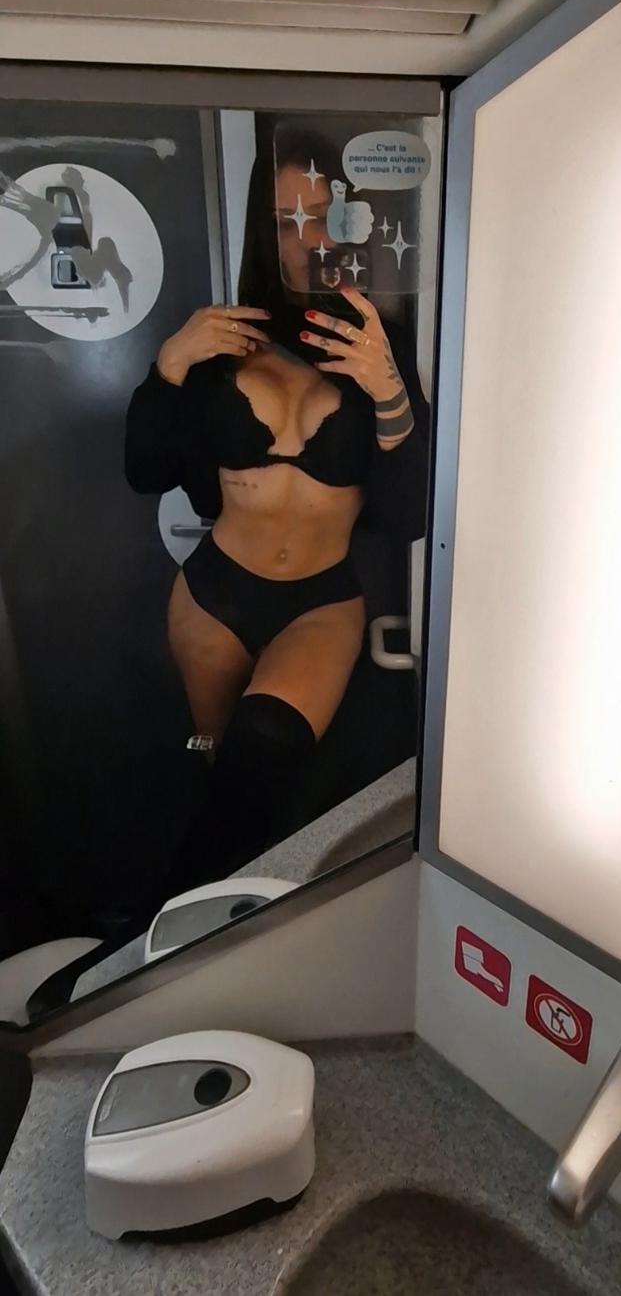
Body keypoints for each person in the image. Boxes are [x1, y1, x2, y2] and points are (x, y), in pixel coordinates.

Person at [124, 127, 428, 879]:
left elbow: (410, 515)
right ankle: (214, 918)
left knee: (265, 746)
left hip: (321, 603)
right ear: (264, 230)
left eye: (320, 215)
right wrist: (169, 365)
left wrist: (388, 391)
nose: (306, 238)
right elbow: (145, 471)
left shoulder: (375, 344)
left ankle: (166, 922)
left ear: (348, 220)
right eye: (286, 220)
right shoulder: (225, 341)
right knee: (218, 769)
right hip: (214, 596)